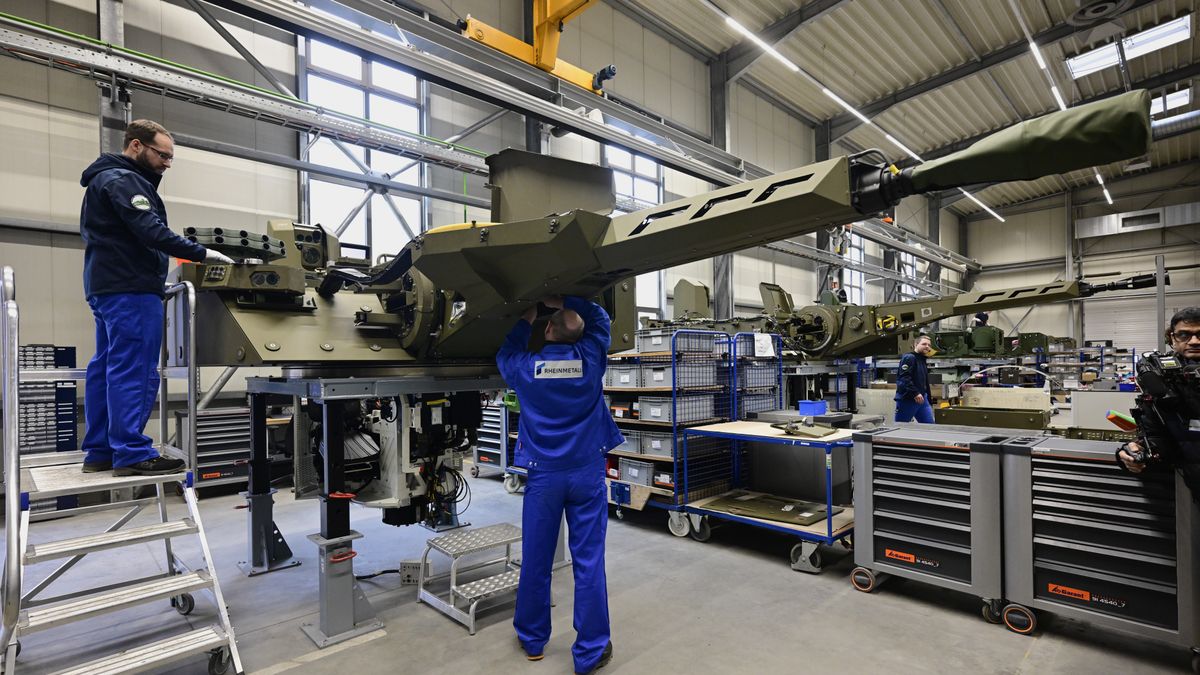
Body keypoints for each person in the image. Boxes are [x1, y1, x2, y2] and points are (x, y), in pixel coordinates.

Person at [79, 119, 233, 476]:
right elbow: (151, 231)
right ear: (136, 146)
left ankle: (100, 450)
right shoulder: (124, 180)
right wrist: (203, 253)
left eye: (170, 158)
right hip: (131, 288)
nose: (167, 163)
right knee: (134, 369)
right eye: (163, 155)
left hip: (106, 287)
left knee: (106, 366)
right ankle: (132, 453)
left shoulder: (105, 179)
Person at [496, 295, 622, 675]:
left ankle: (533, 641)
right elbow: (600, 319)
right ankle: (589, 652)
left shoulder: (525, 367)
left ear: (547, 330)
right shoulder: (591, 359)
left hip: (544, 477)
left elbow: (505, 351)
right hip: (586, 472)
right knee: (588, 561)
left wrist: (530, 313)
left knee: (536, 560)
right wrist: (568, 301)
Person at [1117, 307, 1200, 499]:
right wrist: (1134, 453)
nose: (1195, 341)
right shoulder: (1161, 380)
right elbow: (1159, 437)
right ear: (1172, 339)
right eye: (1184, 335)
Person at [895, 334, 935, 423]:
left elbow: (925, 382)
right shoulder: (910, 357)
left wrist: (928, 398)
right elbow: (904, 377)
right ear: (916, 344)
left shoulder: (922, 359)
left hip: (922, 399)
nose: (927, 346)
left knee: (930, 427)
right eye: (924, 344)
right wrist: (915, 393)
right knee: (901, 427)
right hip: (909, 399)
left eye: (929, 345)